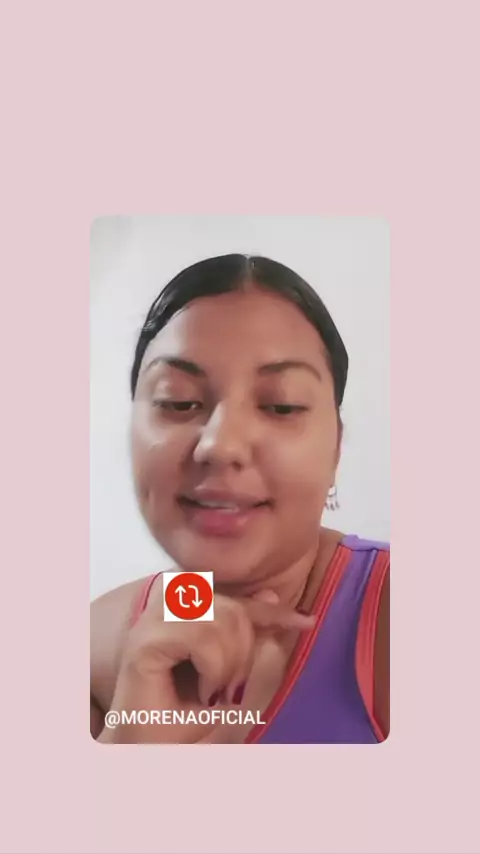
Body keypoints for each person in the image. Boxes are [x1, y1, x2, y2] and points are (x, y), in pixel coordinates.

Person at [90, 253, 390, 744]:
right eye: (178, 401)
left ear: (336, 446)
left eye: (281, 405)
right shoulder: (94, 646)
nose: (220, 445)